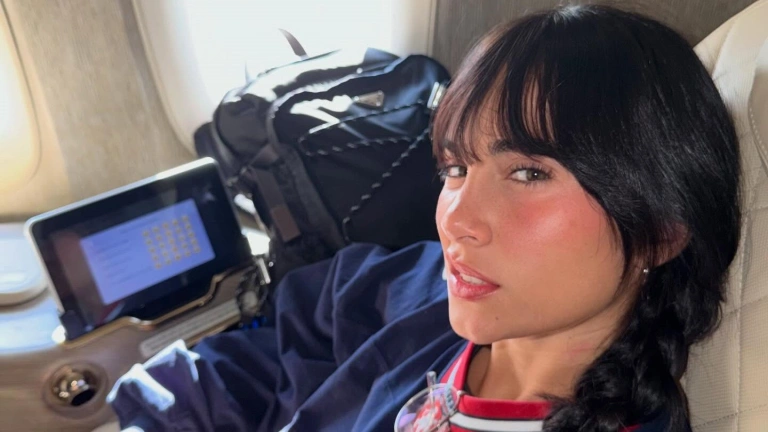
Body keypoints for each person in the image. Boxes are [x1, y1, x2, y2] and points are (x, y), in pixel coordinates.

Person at [108, 5, 741, 431]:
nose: (457, 219)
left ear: (661, 230)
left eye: (529, 173)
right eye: (455, 168)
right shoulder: (429, 292)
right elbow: (280, 342)